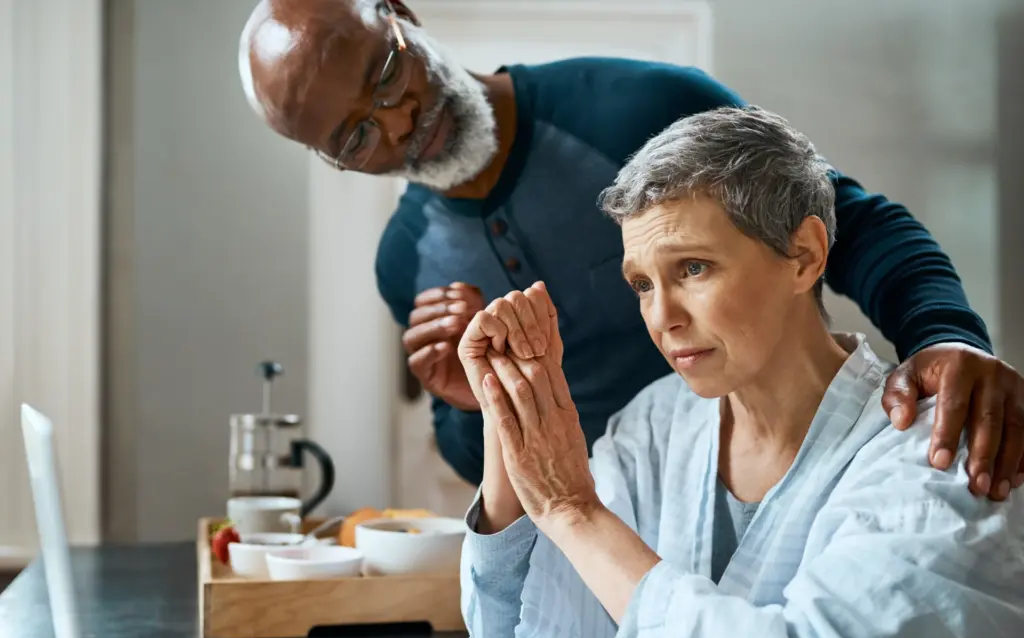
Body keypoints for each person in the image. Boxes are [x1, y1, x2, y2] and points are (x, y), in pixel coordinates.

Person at [237, 0, 1024, 499]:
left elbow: (848, 222)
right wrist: (468, 403)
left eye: (385, 72)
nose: (401, 120)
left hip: (801, 494)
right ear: (333, 160)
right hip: (609, 557)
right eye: (356, 134)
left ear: (400, 15)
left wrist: (943, 334)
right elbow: (492, 469)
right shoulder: (402, 259)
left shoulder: (641, 103)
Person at [456, 106, 1024, 638]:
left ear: (804, 255)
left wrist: (573, 509)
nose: (663, 318)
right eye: (642, 284)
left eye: (694, 268)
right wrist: (508, 417)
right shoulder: (653, 427)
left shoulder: (939, 457)